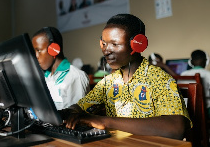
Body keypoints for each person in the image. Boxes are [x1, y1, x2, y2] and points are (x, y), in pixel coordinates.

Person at [60, 14, 191, 140]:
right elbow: (81, 107)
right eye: (104, 44)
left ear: (137, 44)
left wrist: (104, 122)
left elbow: (176, 128)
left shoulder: (159, 78)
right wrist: (68, 112)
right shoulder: (108, 82)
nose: (106, 50)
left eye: (115, 44)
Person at [32, 27, 90, 110]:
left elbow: (78, 115)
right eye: (35, 52)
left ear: (54, 49)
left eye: (39, 50)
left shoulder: (75, 76)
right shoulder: (45, 77)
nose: (36, 56)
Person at [181, 49, 210, 116]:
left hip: (187, 109)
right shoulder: (208, 74)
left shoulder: (183, 74)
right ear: (206, 61)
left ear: (191, 62)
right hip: (204, 109)